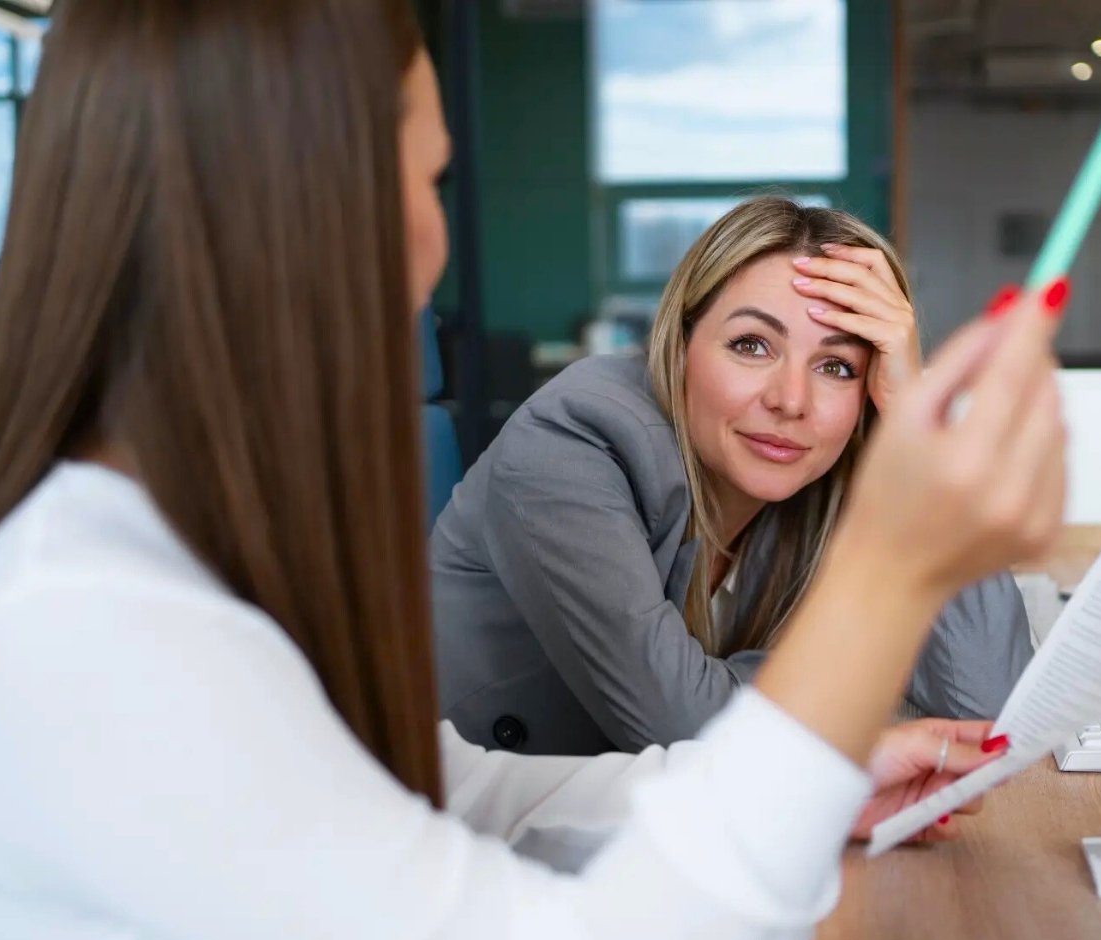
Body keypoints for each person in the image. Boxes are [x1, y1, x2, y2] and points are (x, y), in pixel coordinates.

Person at [0, 1, 1067, 940]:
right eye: (428, 181)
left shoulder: (169, 557)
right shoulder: (95, 631)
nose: (436, 241)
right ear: (305, 209)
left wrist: (827, 773)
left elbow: (457, 789)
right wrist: (887, 575)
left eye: (835, 366)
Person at [431, 197, 1034, 754]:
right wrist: (848, 691)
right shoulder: (574, 438)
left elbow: (986, 710)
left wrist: (916, 430)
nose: (791, 400)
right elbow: (679, 727)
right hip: (475, 836)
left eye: (835, 365)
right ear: (680, 345)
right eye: (751, 345)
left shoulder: (834, 471)